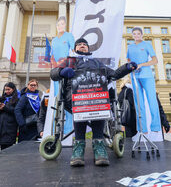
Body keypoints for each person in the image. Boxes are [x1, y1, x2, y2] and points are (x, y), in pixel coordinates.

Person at [50, 38, 137, 167]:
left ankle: (99, 145)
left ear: (88, 48)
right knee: (84, 105)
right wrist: (61, 71)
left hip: (95, 97)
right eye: (79, 44)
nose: (82, 46)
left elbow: (113, 74)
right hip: (75, 97)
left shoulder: (96, 63)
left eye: (85, 44)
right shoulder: (69, 61)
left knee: (99, 104)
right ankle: (79, 147)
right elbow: (53, 73)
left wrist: (127, 68)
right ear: (75, 49)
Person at [127, 27, 161, 134]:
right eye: (134, 34)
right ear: (132, 35)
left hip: (147, 75)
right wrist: (132, 64)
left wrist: (141, 64)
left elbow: (155, 60)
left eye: (138, 34)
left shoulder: (147, 45)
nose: (136, 35)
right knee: (138, 103)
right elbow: (128, 59)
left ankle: (155, 126)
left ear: (142, 35)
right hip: (134, 77)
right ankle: (142, 128)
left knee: (152, 100)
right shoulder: (130, 47)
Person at [0, 82, 19, 150]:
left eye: (8, 89)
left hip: (10, 127)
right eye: (5, 89)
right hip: (1, 126)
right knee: (2, 148)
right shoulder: (2, 98)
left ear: (13, 89)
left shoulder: (17, 99)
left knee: (8, 148)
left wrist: (5, 108)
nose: (7, 91)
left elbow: (15, 111)